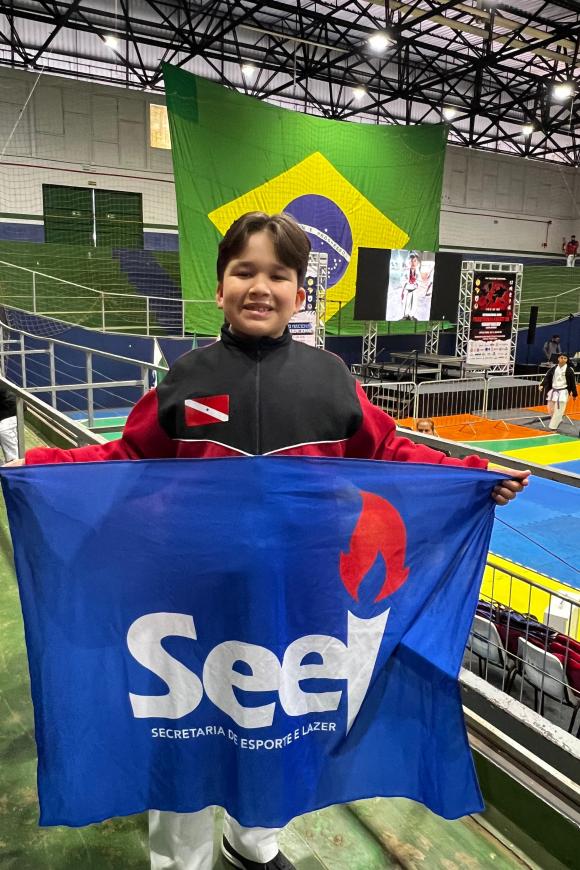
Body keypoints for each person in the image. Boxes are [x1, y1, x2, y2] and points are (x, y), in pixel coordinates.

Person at [5, 212, 529, 870]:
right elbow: (126, 458)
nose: (260, 287)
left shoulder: (330, 379)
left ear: (299, 293)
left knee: (276, 728)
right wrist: (37, 468)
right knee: (185, 729)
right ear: (219, 287)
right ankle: (181, 862)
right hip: (191, 599)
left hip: (298, 601)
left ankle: (254, 843)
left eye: (278, 275)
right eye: (243, 271)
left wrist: (472, 476)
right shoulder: (186, 378)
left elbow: (390, 452)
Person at [539, 352, 578, 430]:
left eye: (565, 358)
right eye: (561, 358)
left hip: (563, 391)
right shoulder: (553, 368)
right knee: (550, 409)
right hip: (553, 390)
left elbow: (572, 383)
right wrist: (542, 384)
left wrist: (574, 394)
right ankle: (558, 420)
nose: (563, 359)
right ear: (558, 358)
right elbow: (547, 377)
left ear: (567, 360)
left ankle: (553, 427)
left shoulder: (569, 370)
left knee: (559, 410)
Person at [0, 384, 18, 463]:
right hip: (5, 409)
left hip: (10, 409)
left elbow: (3, 391)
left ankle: (14, 463)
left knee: (4, 432)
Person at [400, 251, 420, 320]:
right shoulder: (406, 271)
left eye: (414, 261)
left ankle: (411, 315)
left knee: (414, 302)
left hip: (415, 288)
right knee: (407, 302)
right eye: (411, 261)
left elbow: (419, 280)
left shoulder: (417, 272)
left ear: (417, 262)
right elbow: (402, 279)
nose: (413, 263)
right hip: (408, 288)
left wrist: (416, 284)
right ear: (408, 262)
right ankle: (406, 315)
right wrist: (406, 284)